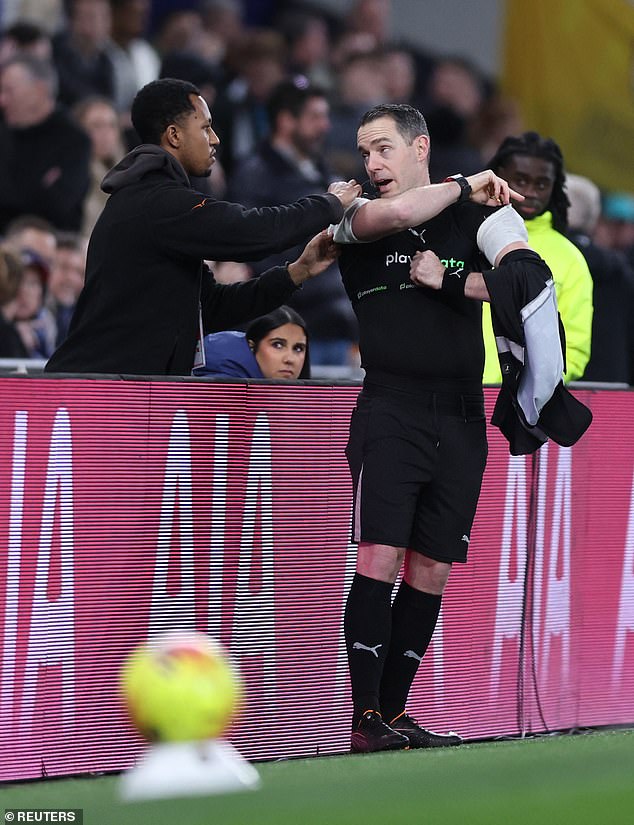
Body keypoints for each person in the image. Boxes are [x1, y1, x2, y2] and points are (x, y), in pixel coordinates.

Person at [328, 103, 551, 753]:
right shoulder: (355, 215)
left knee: (430, 571)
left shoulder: (471, 218)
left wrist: (451, 275)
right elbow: (387, 218)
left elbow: (518, 282)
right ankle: (363, 714)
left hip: (459, 415)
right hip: (390, 407)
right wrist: (464, 182)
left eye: (383, 148)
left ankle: (394, 716)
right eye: (365, 150)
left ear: (419, 146)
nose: (371, 163)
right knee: (381, 554)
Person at [45, 77, 360, 375]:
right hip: (97, 396)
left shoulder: (153, 201)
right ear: (174, 135)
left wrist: (297, 272)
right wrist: (328, 204)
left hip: (120, 390)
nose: (215, 139)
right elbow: (252, 231)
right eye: (205, 128)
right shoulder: (159, 202)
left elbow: (212, 307)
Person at [227, 80, 358, 366]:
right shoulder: (255, 175)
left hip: (337, 323)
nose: (325, 126)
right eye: (315, 117)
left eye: (325, 116)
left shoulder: (325, 171)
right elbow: (251, 242)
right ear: (286, 121)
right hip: (291, 323)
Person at [481, 132, 594, 383]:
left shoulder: (570, 258)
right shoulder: (464, 234)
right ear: (497, 175)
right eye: (520, 181)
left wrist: (529, 391)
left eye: (542, 184)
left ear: (555, 186)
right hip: (451, 397)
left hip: (521, 409)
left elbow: (574, 349)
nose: (531, 192)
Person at [0, 54, 92, 233]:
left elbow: (59, 206)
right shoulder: (4, 133)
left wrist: (11, 198)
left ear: (39, 91)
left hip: (55, 243)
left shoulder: (74, 139)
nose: (2, 100)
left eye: (9, 91)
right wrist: (37, 189)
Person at [565, 174, 634, 384]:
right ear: (594, 218)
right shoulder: (621, 271)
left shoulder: (538, 262)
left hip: (555, 392)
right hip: (612, 392)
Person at [194, 305, 310, 379]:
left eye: (298, 348)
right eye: (277, 345)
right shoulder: (221, 394)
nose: (290, 359)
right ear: (252, 346)